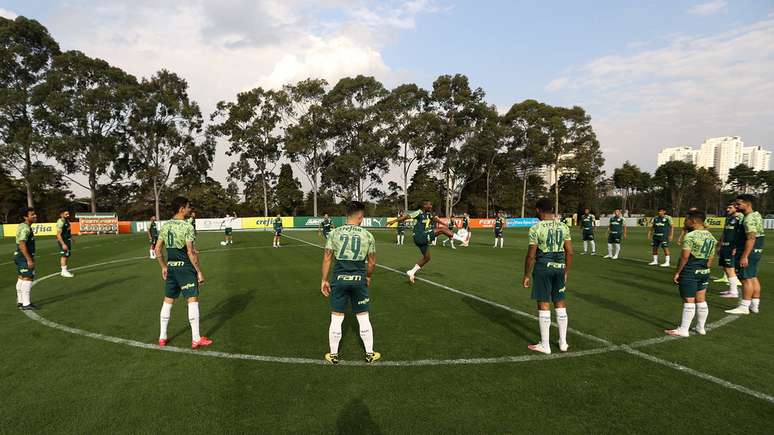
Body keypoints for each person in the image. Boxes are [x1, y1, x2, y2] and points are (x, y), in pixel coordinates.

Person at [320, 201, 379, 364]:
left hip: (339, 278)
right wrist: (367, 277)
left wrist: (324, 280)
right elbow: (372, 263)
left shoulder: (334, 233)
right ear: (360, 216)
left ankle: (333, 355)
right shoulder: (368, 235)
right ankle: (369, 354)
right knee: (363, 316)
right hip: (359, 278)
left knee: (337, 317)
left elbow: (327, 258)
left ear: (347, 215)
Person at [155, 196, 212, 349]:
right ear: (181, 209)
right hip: (185, 268)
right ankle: (196, 338)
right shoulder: (187, 226)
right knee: (192, 300)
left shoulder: (165, 226)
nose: (189, 209)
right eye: (187, 207)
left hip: (172, 268)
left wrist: (163, 266)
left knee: (168, 301)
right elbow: (191, 252)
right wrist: (199, 271)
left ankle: (162, 337)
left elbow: (157, 250)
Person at [522, 198, 572, 354]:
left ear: (538, 210)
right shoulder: (564, 227)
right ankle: (563, 343)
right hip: (559, 267)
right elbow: (569, 252)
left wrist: (526, 275)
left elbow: (531, 256)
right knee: (560, 302)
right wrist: (566, 270)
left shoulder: (536, 228)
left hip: (543, 267)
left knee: (544, 303)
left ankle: (545, 345)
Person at [387, 201, 469, 284]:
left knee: (427, 258)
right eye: (429, 204)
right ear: (424, 205)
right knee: (442, 230)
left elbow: (435, 219)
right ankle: (462, 239)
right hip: (419, 236)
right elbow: (405, 217)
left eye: (431, 204)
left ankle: (411, 272)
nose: (431, 206)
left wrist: (444, 223)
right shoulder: (418, 212)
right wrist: (392, 221)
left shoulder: (428, 214)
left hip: (422, 238)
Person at [666, 210, 716, 337]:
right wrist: (705, 268)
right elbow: (711, 257)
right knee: (701, 300)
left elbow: (685, 257)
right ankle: (701, 327)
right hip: (704, 270)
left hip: (691, 270)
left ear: (693, 221)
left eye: (686, 220)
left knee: (688, 300)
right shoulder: (710, 236)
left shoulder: (690, 236)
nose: (684, 222)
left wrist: (678, 272)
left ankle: (683, 330)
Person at [726, 194, 765, 315]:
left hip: (749, 251)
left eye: (739, 204)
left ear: (747, 204)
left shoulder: (748, 218)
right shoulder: (756, 215)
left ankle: (744, 306)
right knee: (753, 277)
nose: (736, 206)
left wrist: (744, 256)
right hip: (756, 250)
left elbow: (751, 238)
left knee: (746, 279)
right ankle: (754, 305)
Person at [715, 203, 743, 298]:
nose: (727, 209)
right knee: (726, 267)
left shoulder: (740, 218)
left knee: (730, 268)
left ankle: (734, 292)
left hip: (731, 247)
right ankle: (731, 290)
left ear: (736, 208)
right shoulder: (728, 218)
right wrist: (719, 244)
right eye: (727, 207)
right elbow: (725, 232)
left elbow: (741, 234)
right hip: (725, 246)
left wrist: (736, 247)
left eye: (730, 207)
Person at [14, 208, 38, 310]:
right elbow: (22, 243)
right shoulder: (26, 228)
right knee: (28, 278)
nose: (35, 216)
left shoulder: (23, 225)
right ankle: (26, 304)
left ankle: (20, 301)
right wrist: (29, 259)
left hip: (19, 256)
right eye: (32, 214)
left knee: (21, 277)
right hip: (23, 256)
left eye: (35, 214)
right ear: (25, 217)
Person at [56, 210, 74, 277]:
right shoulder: (60, 221)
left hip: (67, 240)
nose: (68, 215)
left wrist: (71, 238)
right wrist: (63, 244)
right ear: (62, 214)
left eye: (68, 214)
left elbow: (68, 231)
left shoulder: (67, 221)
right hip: (63, 241)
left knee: (67, 254)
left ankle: (64, 270)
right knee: (64, 255)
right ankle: (63, 271)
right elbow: (58, 234)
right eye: (66, 214)